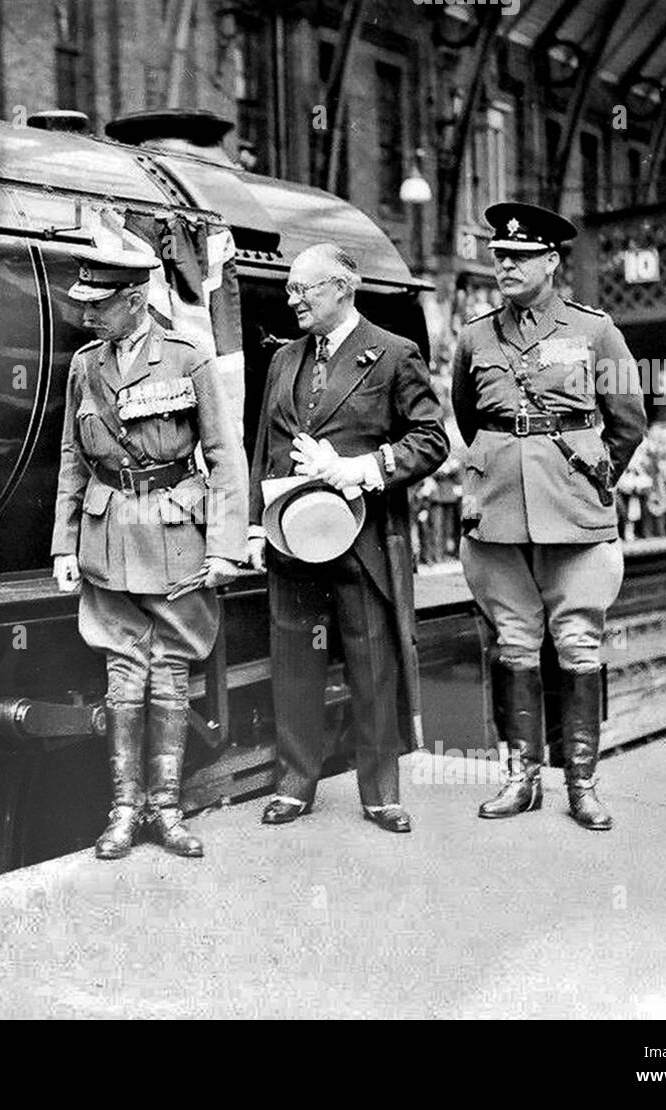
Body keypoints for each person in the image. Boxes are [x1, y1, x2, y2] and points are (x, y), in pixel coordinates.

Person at [452, 202, 647, 831]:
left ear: (551, 262)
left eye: (520, 257)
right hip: (499, 516)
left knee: (578, 645)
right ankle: (521, 780)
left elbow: (629, 421)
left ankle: (582, 785)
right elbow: (469, 415)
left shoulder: (597, 332)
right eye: (500, 255)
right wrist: (500, 468)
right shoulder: (476, 337)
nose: (505, 265)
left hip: (575, 516)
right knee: (513, 645)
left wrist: (591, 480)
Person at [52, 245, 248, 859]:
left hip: (174, 532)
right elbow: (71, 461)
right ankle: (123, 810)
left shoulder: (188, 360)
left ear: (136, 302)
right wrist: (63, 545)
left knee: (170, 668)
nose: (88, 315)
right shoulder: (85, 367)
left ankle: (166, 809)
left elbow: (223, 456)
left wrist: (225, 546)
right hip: (107, 534)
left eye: (100, 303)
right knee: (121, 672)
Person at [247, 243, 448, 833]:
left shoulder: (392, 354)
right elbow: (266, 442)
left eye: (302, 290)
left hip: (361, 539)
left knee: (371, 664)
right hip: (291, 538)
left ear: (341, 287)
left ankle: (381, 793)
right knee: (294, 662)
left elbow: (431, 439)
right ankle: (294, 784)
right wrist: (258, 529)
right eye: (290, 290)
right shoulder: (284, 360)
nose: (292, 300)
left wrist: (364, 468)